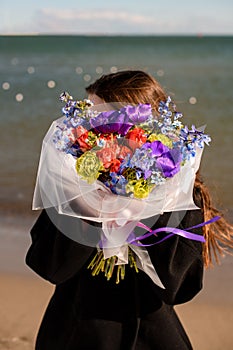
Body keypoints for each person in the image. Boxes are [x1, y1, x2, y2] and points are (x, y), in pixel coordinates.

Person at [26, 70, 233, 350]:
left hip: (149, 333)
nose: (89, 129)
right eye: (88, 119)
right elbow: (48, 266)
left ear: (140, 128)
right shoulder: (73, 186)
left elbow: (180, 287)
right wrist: (93, 207)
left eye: (101, 119)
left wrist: (146, 202)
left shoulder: (179, 193)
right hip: (74, 329)